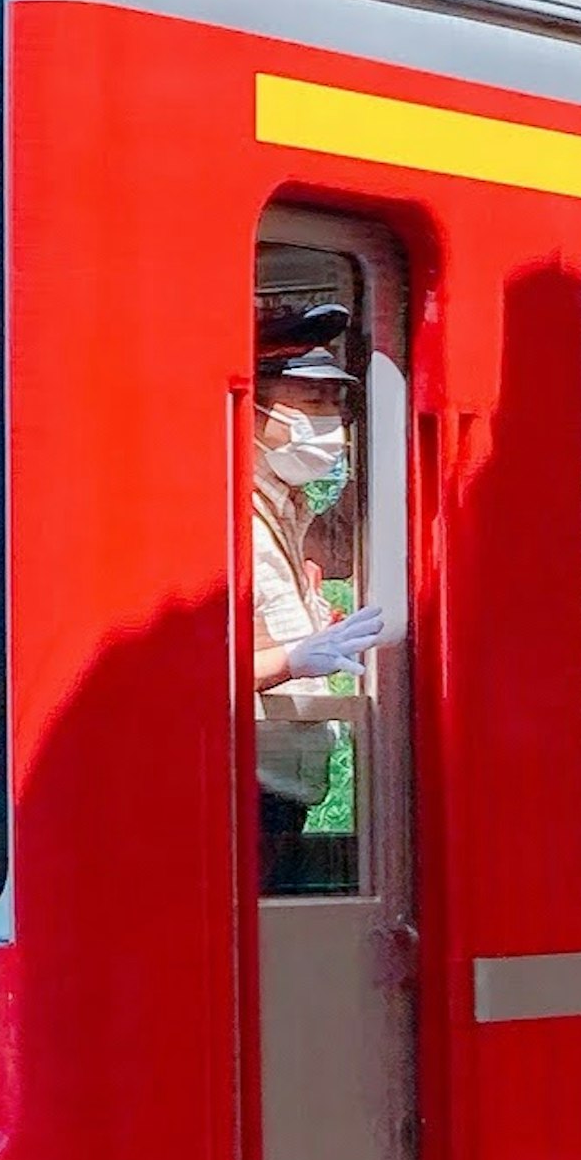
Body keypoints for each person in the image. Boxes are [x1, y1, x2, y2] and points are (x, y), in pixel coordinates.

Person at [253, 304, 391, 881]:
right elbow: (177, 675)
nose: (332, 423)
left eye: (338, 406)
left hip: (288, 786)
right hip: (241, 787)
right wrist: (293, 659)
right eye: (312, 404)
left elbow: (343, 538)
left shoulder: (286, 506)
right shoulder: (213, 515)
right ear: (253, 410)